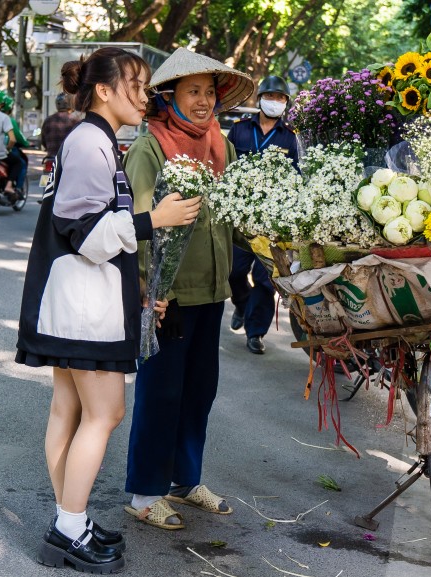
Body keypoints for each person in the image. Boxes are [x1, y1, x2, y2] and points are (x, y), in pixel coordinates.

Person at [15, 47, 201, 573]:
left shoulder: (96, 142)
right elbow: (84, 235)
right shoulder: (90, 143)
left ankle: (69, 519)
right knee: (105, 413)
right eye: (137, 86)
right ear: (104, 90)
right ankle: (68, 528)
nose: (146, 97)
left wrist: (141, 292)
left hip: (78, 302)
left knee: (69, 410)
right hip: (81, 307)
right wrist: (153, 220)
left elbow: (91, 234)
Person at [122, 47, 254, 530]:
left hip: (211, 290)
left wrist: (264, 257)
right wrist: (156, 292)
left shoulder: (221, 144)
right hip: (168, 299)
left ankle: (185, 478)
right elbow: (139, 224)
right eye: (192, 91)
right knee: (161, 392)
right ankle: (144, 492)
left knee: (199, 390)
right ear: (170, 96)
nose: (203, 102)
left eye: (209, 92)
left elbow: (233, 216)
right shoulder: (150, 147)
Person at [225, 75, 300, 354]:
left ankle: (255, 333)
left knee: (266, 278)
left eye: (281, 98)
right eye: (271, 96)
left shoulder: (290, 137)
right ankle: (242, 305)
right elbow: (226, 164)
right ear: (260, 99)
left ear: (286, 104)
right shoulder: (240, 130)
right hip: (240, 216)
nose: (275, 102)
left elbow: (296, 175)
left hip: (273, 220)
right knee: (234, 271)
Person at [0, 97, 31, 196]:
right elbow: (18, 137)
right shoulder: (9, 120)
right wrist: (26, 143)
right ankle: (14, 187)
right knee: (20, 163)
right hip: (4, 151)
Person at [42, 93, 81, 158]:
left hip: (51, 157)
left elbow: (43, 141)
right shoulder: (75, 121)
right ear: (71, 104)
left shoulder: (48, 120)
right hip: (69, 158)